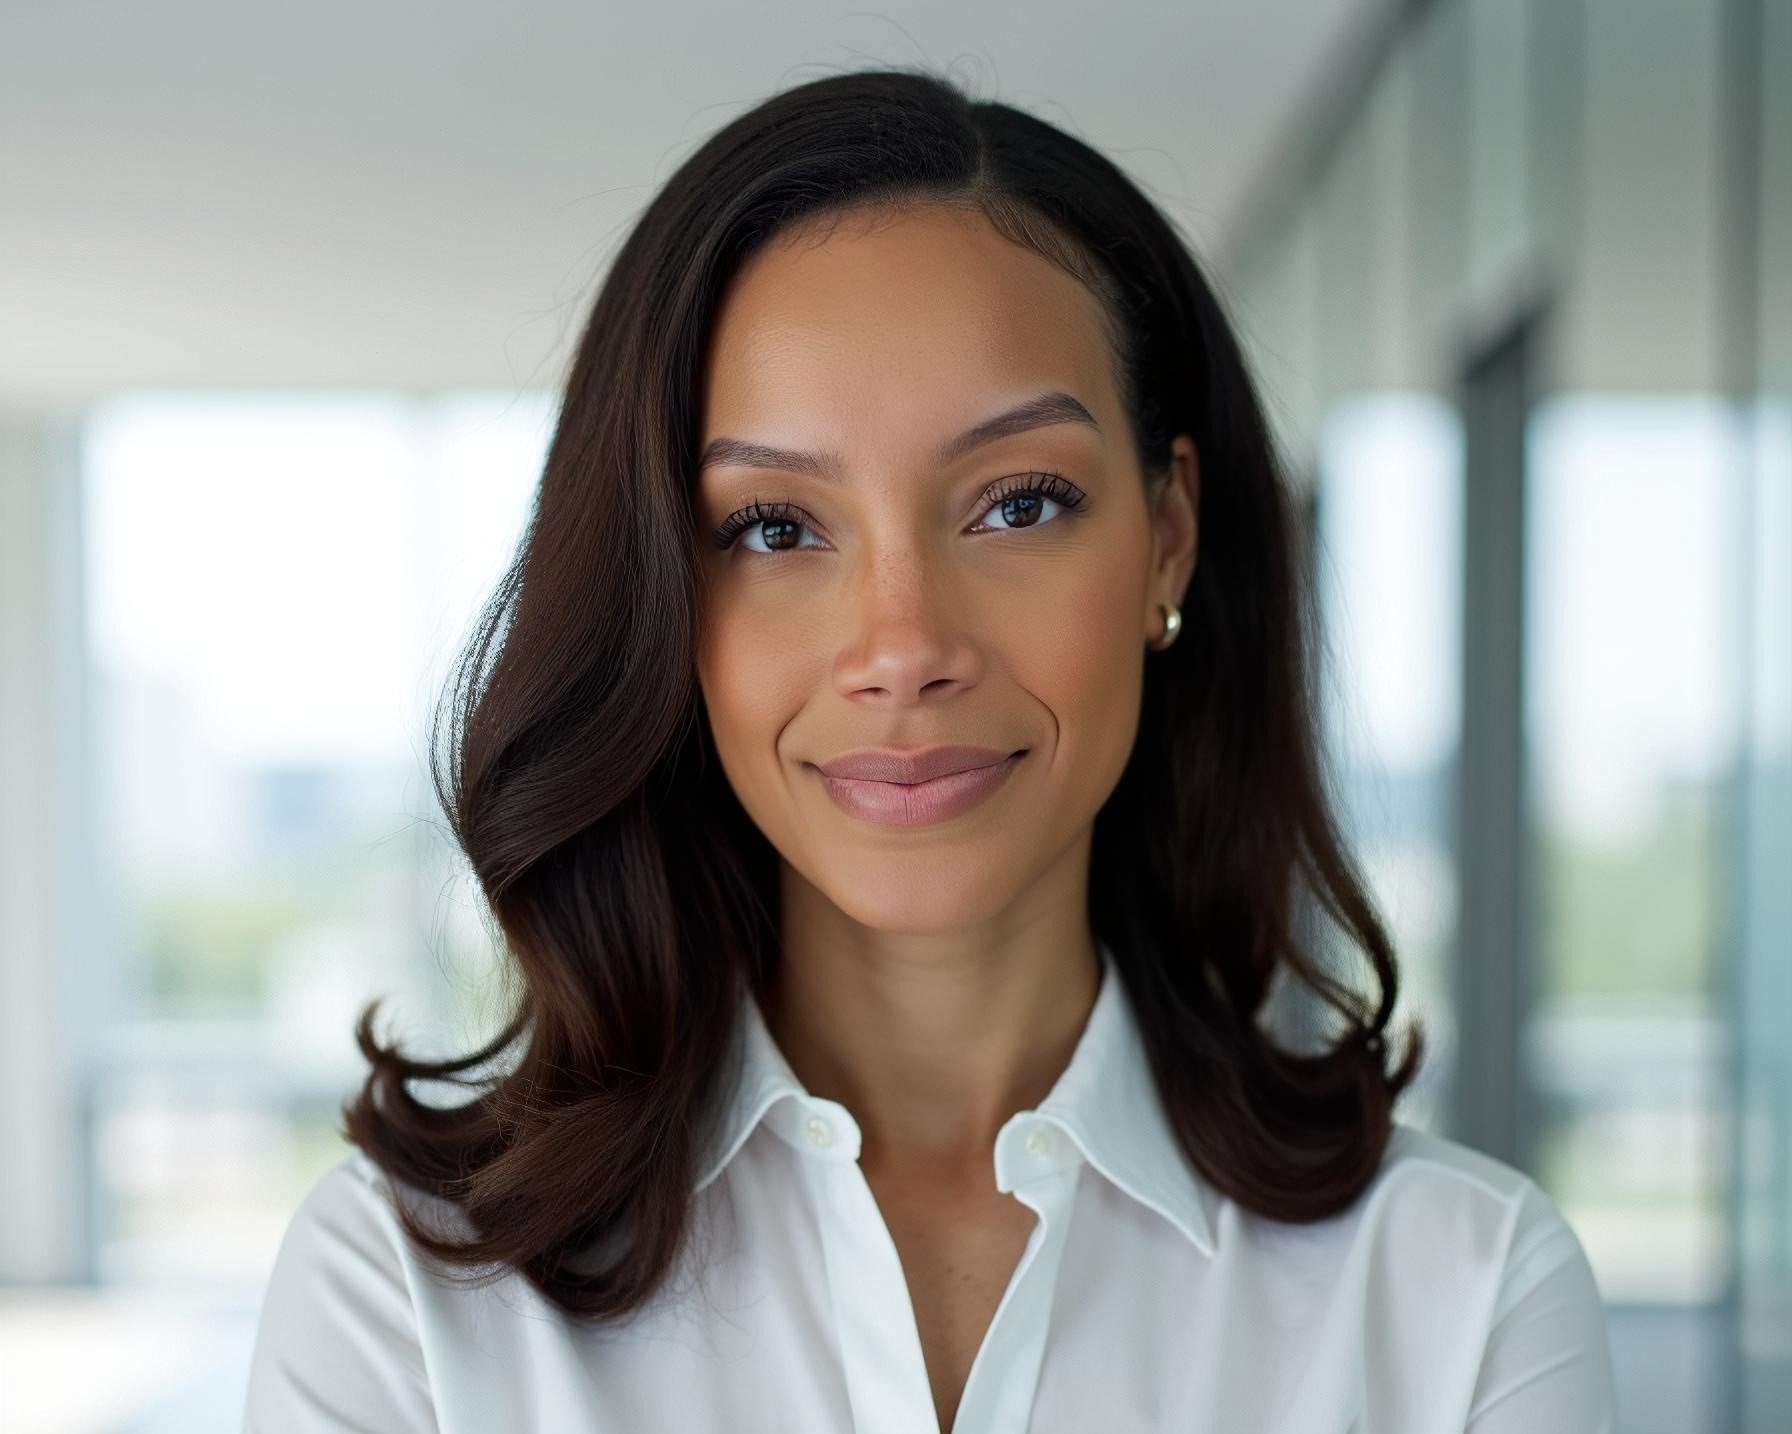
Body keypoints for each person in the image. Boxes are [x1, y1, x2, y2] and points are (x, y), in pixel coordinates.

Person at [241, 66, 1616, 1434]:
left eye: (1018, 504)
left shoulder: (1463, 1295)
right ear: (665, 599)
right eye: (775, 527)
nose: (902, 643)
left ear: (1170, 538)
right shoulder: (405, 1294)